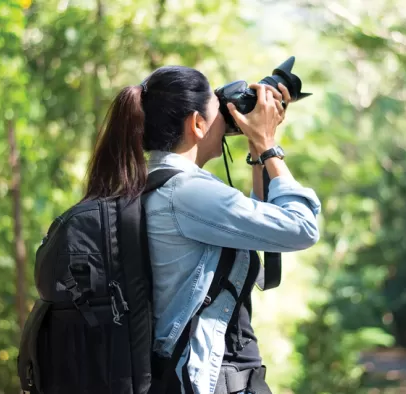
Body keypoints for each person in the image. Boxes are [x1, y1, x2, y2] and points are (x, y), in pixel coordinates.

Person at [82, 65, 321, 394]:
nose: (226, 119)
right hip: (206, 380)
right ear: (196, 124)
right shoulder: (186, 194)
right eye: (218, 109)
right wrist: (268, 145)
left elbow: (261, 228)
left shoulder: (152, 184)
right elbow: (302, 227)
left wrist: (256, 156)